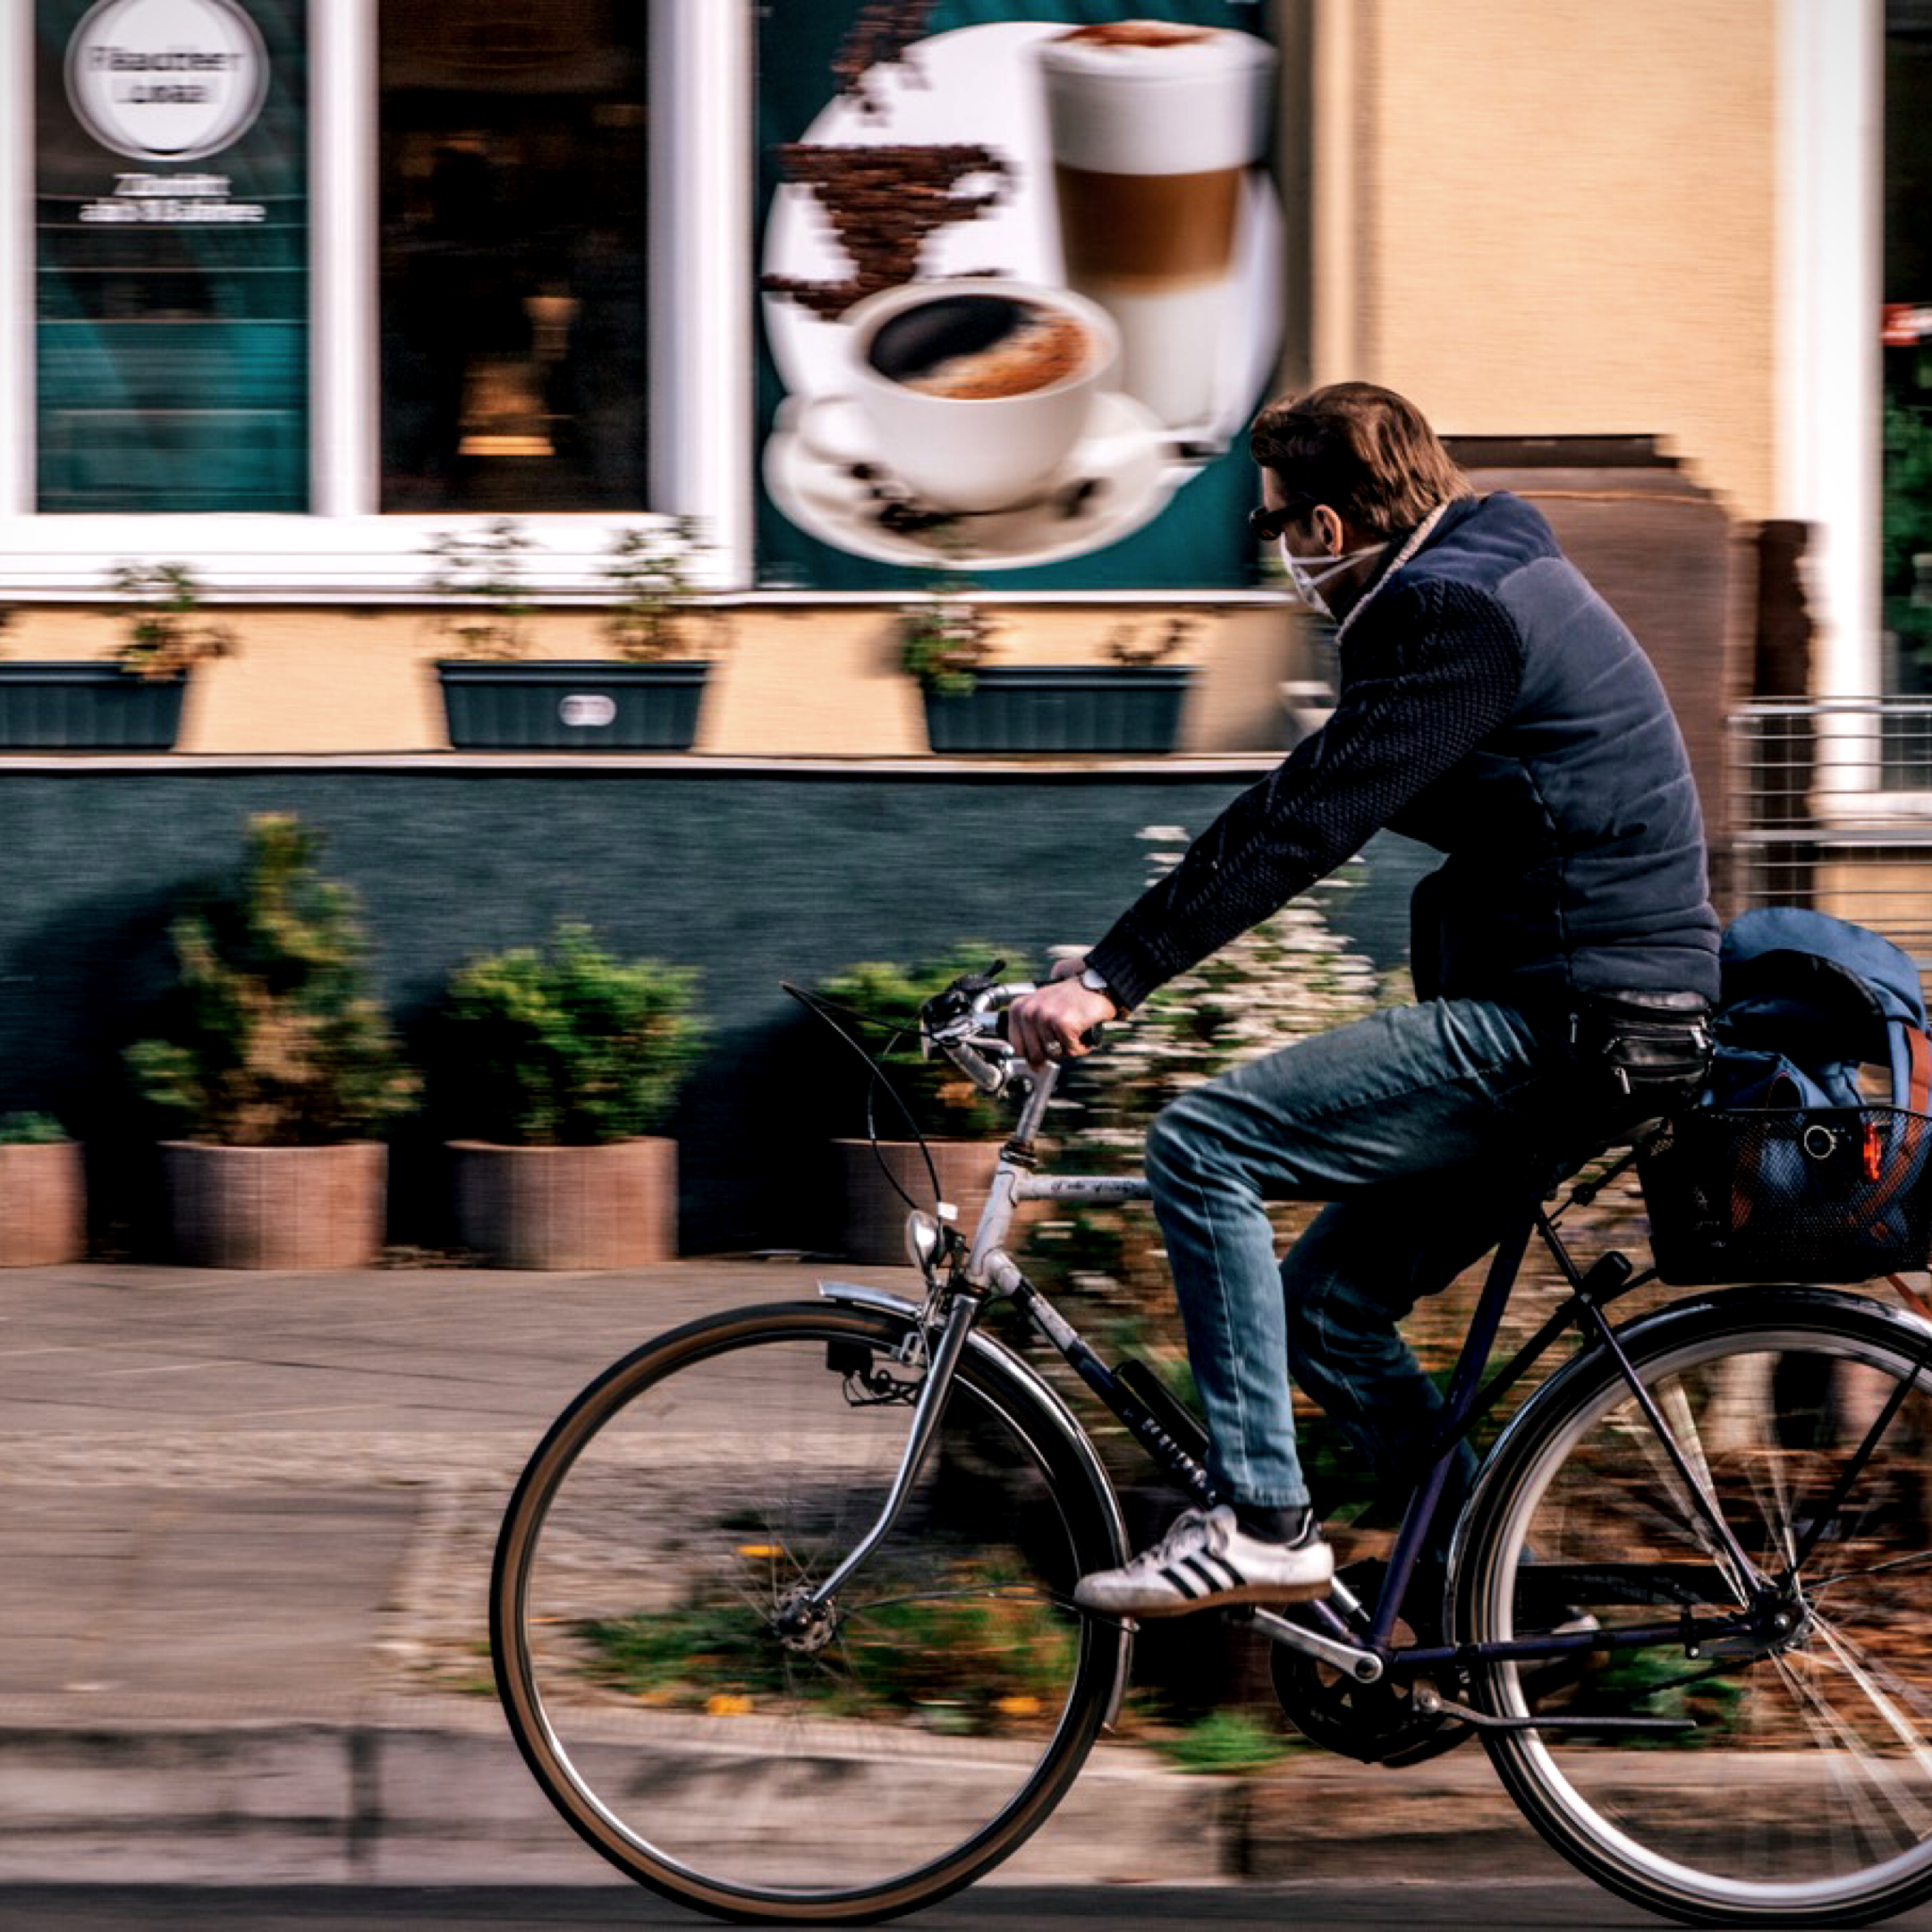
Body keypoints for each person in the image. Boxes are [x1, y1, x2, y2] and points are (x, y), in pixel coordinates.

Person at [1007, 382, 1719, 1618]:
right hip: (1606, 1012)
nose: (1281, 552)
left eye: (1277, 524)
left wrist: (1112, 979)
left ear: (1328, 529)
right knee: (1325, 1311)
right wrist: (1110, 965)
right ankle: (1510, 1608)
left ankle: (1262, 1523)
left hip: (1567, 1023)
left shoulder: (1450, 615)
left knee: (1204, 1143)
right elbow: (1319, 799)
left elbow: (1307, 818)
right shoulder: (1489, 572)